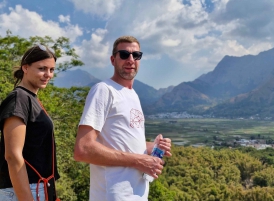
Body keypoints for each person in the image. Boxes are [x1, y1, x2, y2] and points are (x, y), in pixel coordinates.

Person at [73, 36, 172, 201]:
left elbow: (124, 143)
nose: (131, 60)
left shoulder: (132, 95)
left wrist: (153, 147)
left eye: (136, 55)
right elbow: (82, 149)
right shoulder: (104, 90)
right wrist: (138, 161)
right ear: (113, 60)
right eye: (124, 54)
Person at [0, 45, 60, 201]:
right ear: (25, 67)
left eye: (51, 70)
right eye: (42, 69)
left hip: (39, 188)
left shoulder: (31, 99)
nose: (48, 74)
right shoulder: (18, 99)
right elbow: (13, 155)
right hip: (25, 191)